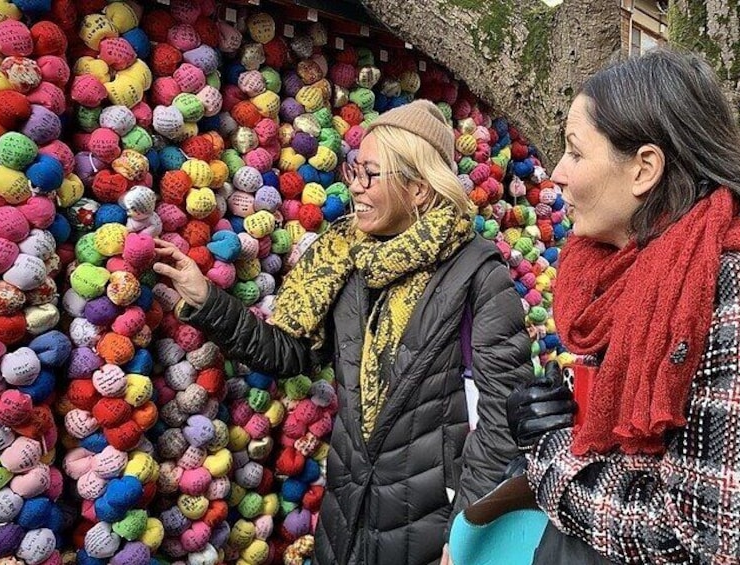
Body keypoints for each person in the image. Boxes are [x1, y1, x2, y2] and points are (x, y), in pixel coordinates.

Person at [153, 100, 533, 565]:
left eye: (371, 174)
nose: (354, 186)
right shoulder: (346, 261)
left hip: (432, 538)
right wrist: (205, 299)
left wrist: (467, 531)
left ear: (418, 188)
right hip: (346, 521)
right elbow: (288, 354)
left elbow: (503, 421)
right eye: (355, 170)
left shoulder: (478, 274)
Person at [506, 49, 740, 564]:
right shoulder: (614, 273)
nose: (556, 174)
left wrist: (554, 456)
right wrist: (562, 412)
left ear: (645, 169)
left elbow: (712, 541)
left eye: (575, 152)